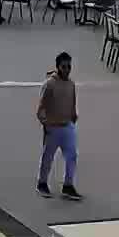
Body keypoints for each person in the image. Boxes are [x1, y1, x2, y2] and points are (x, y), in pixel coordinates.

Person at [35, 52, 81, 200]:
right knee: (48, 157)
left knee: (72, 156)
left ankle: (68, 185)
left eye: (69, 67)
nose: (67, 70)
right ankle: (42, 183)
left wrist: (73, 116)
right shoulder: (49, 84)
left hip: (67, 126)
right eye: (64, 67)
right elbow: (41, 108)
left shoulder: (71, 84)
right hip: (53, 128)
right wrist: (46, 124)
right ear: (58, 67)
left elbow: (73, 102)